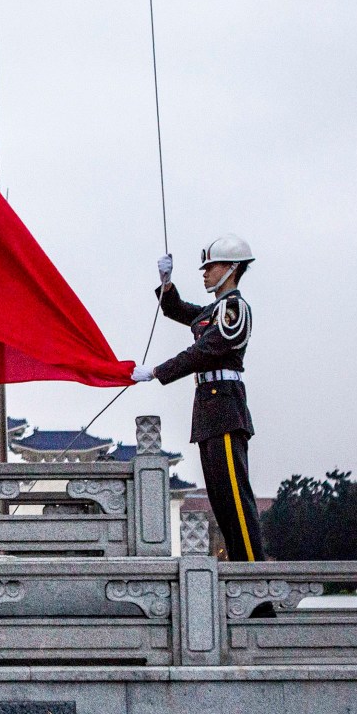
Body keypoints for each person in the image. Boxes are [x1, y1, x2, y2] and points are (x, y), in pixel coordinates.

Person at [132, 235, 264, 563]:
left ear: (232, 268)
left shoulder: (235, 310)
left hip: (226, 409)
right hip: (208, 410)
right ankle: (241, 575)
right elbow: (176, 310)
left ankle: (255, 582)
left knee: (236, 500)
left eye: (212, 266)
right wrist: (166, 282)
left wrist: (157, 371)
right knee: (221, 503)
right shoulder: (212, 310)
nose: (204, 272)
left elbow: (204, 351)